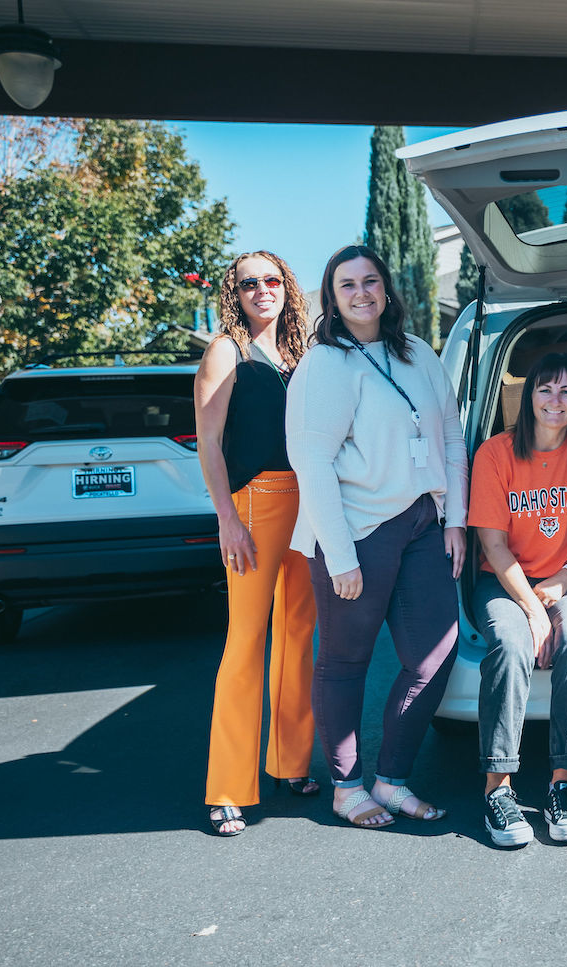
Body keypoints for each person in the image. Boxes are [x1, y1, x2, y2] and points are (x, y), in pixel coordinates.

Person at [285, 244, 468, 829]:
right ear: (332, 299)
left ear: (387, 289)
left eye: (370, 281)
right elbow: (311, 463)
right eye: (347, 285)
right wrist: (339, 557)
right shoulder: (326, 364)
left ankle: (391, 779)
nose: (361, 293)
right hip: (356, 530)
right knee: (345, 663)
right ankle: (346, 787)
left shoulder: (418, 354)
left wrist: (456, 519)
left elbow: (452, 438)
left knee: (434, 657)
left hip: (421, 525)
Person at [197, 251, 318, 837]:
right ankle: (227, 787)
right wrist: (227, 516)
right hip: (255, 501)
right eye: (250, 283)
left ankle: (290, 763)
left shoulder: (299, 353)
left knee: (298, 635)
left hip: (308, 502)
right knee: (245, 641)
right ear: (236, 293)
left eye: (272, 280)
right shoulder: (227, 350)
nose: (262, 290)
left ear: (286, 288)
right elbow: (209, 440)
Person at [467, 353, 567, 848]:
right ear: (528, 398)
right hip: (504, 579)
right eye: (546, 389)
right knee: (510, 643)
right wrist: (530, 610)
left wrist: (565, 582)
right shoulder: (496, 454)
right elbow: (493, 545)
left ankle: (562, 785)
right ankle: (497, 788)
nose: (556, 400)